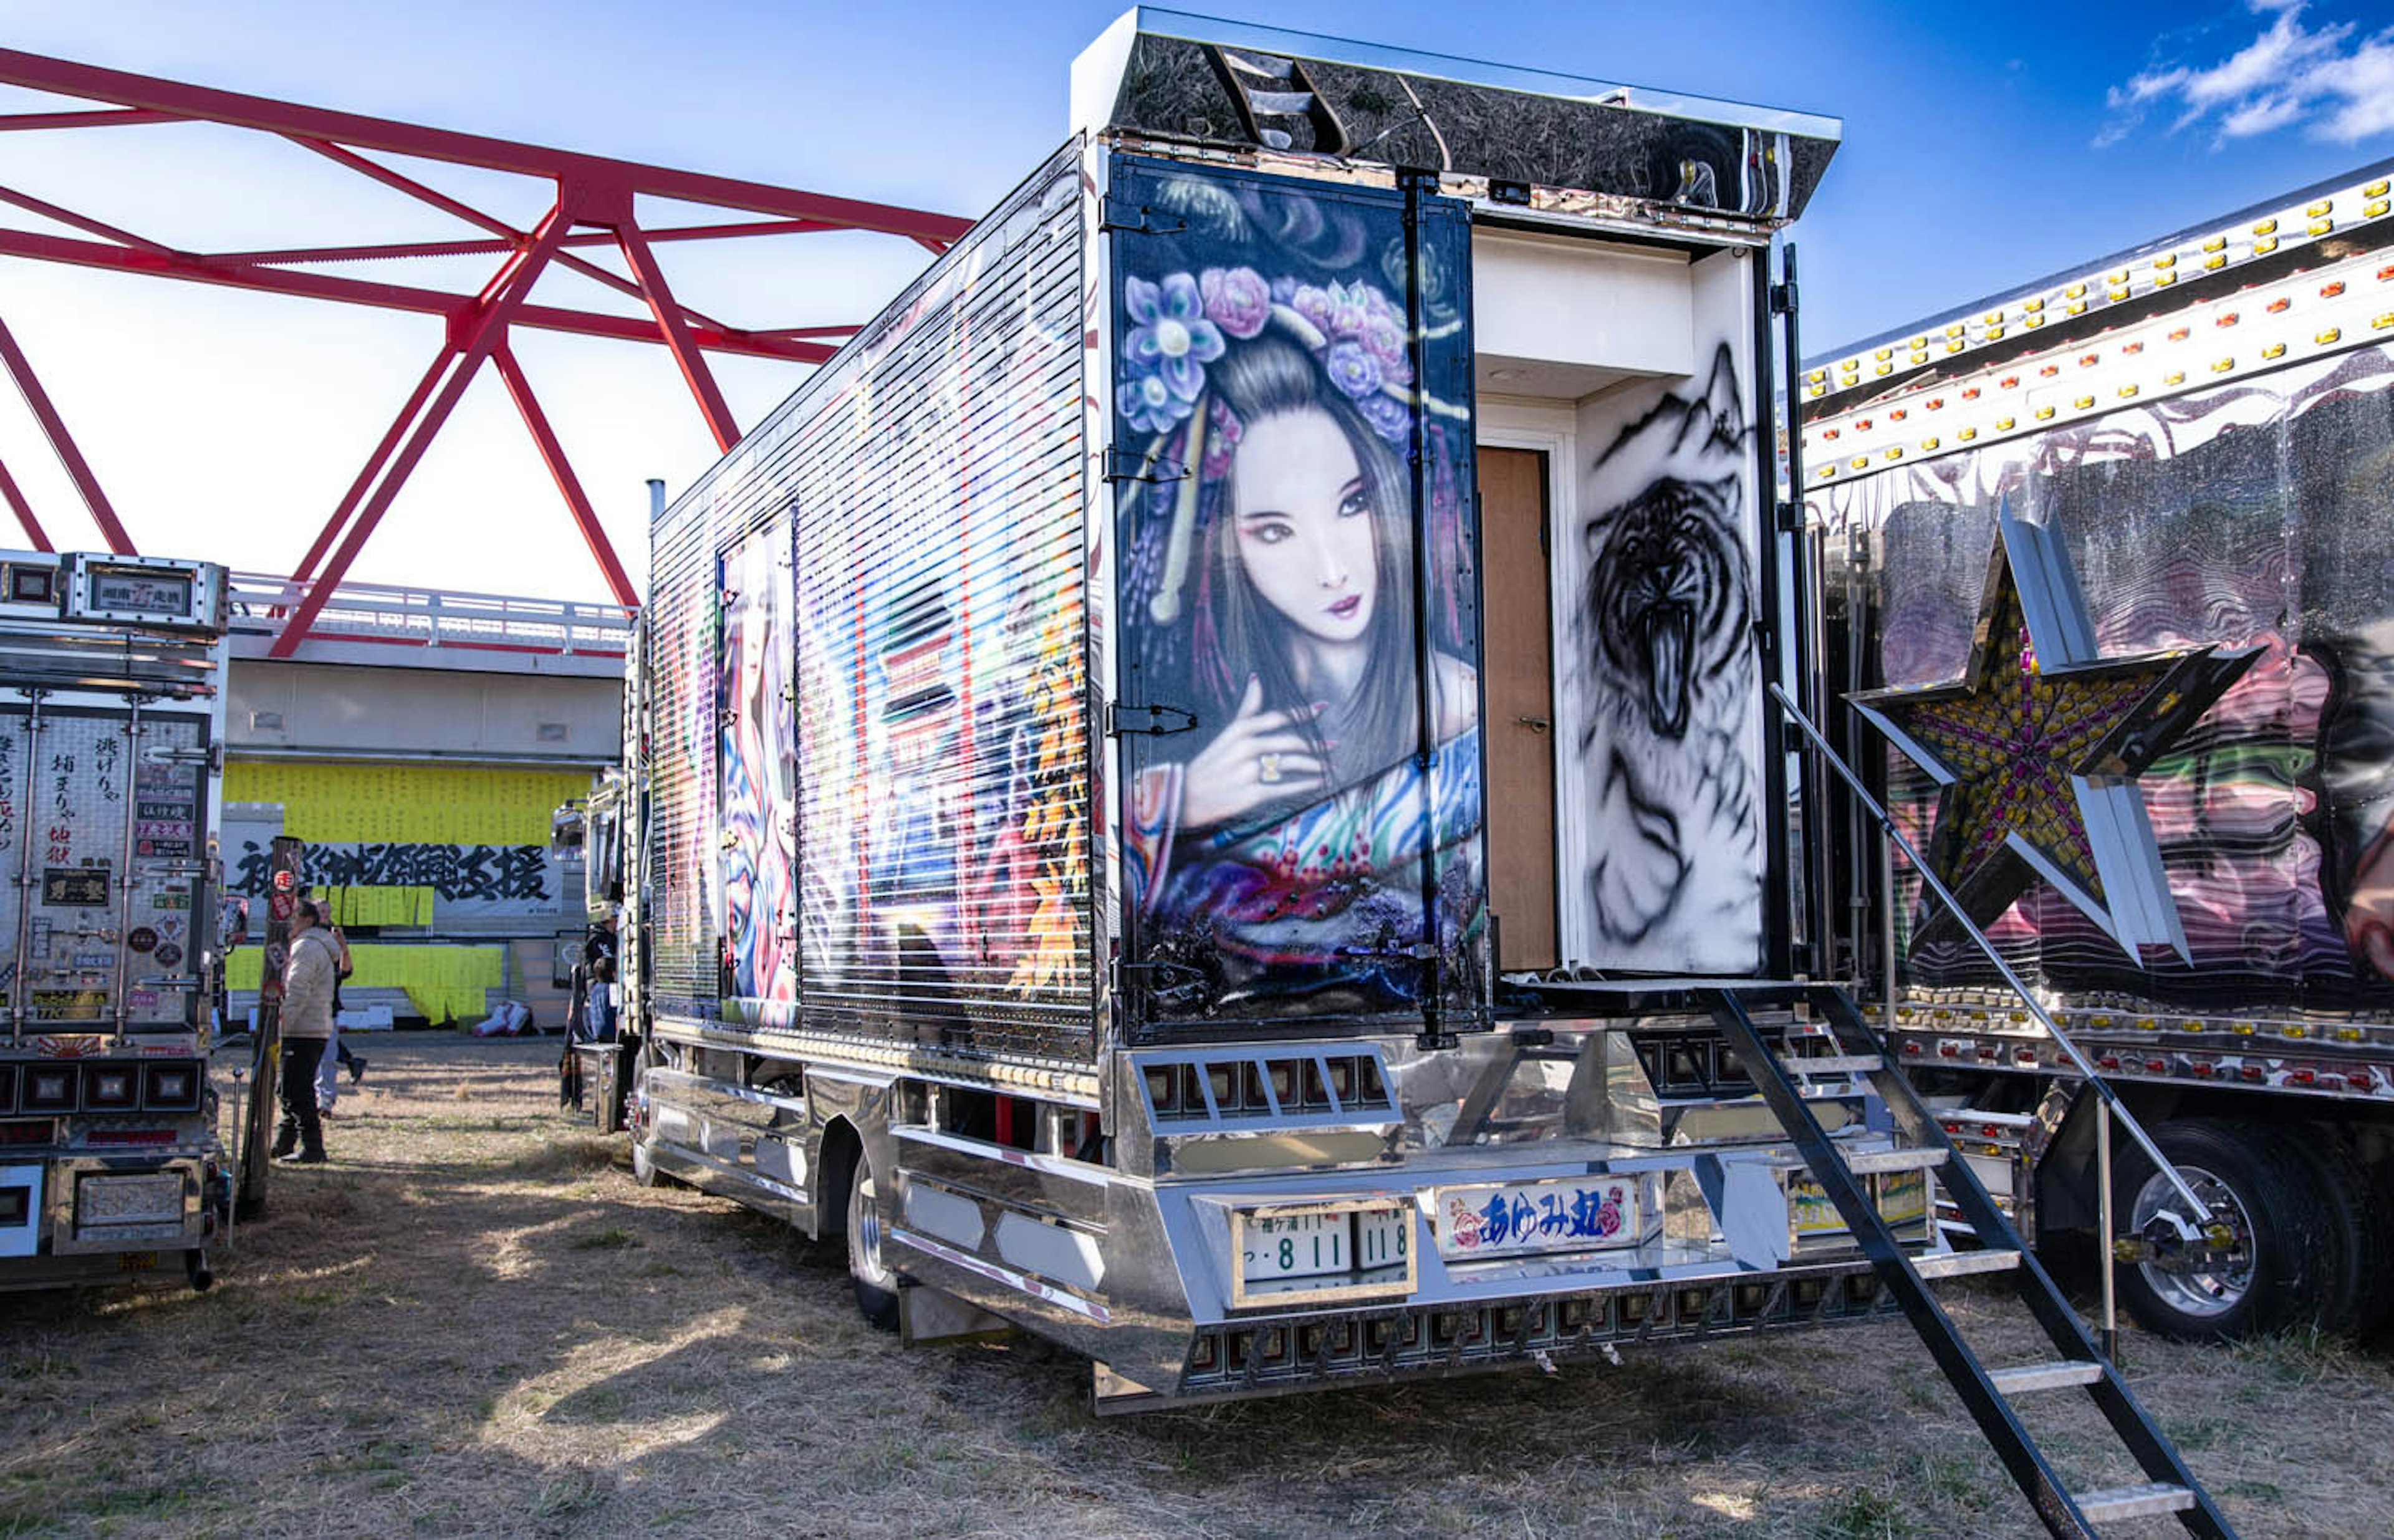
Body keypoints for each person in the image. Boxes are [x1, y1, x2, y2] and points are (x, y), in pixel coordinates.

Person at [1125, 334, 1480, 1006]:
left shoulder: (1460, 705)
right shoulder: (1206, 723)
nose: (1332, 568)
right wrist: (1188, 797)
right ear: (1224, 544)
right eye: (1274, 531)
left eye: (1351, 504)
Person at [272, 900, 339, 1164]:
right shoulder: (313, 945)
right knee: (289, 1087)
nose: (287, 924)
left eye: (292, 919)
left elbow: (297, 990)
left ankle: (313, 1147)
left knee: (296, 1090)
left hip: (303, 1029)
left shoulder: (306, 948)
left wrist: (282, 1025)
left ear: (307, 921)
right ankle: (284, 1142)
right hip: (313, 1027)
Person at [315, 920, 367, 1115]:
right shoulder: (303, 947)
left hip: (328, 1009)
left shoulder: (333, 951)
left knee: (327, 1058)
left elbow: (346, 972)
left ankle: (325, 1101)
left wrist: (343, 945)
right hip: (305, 1011)